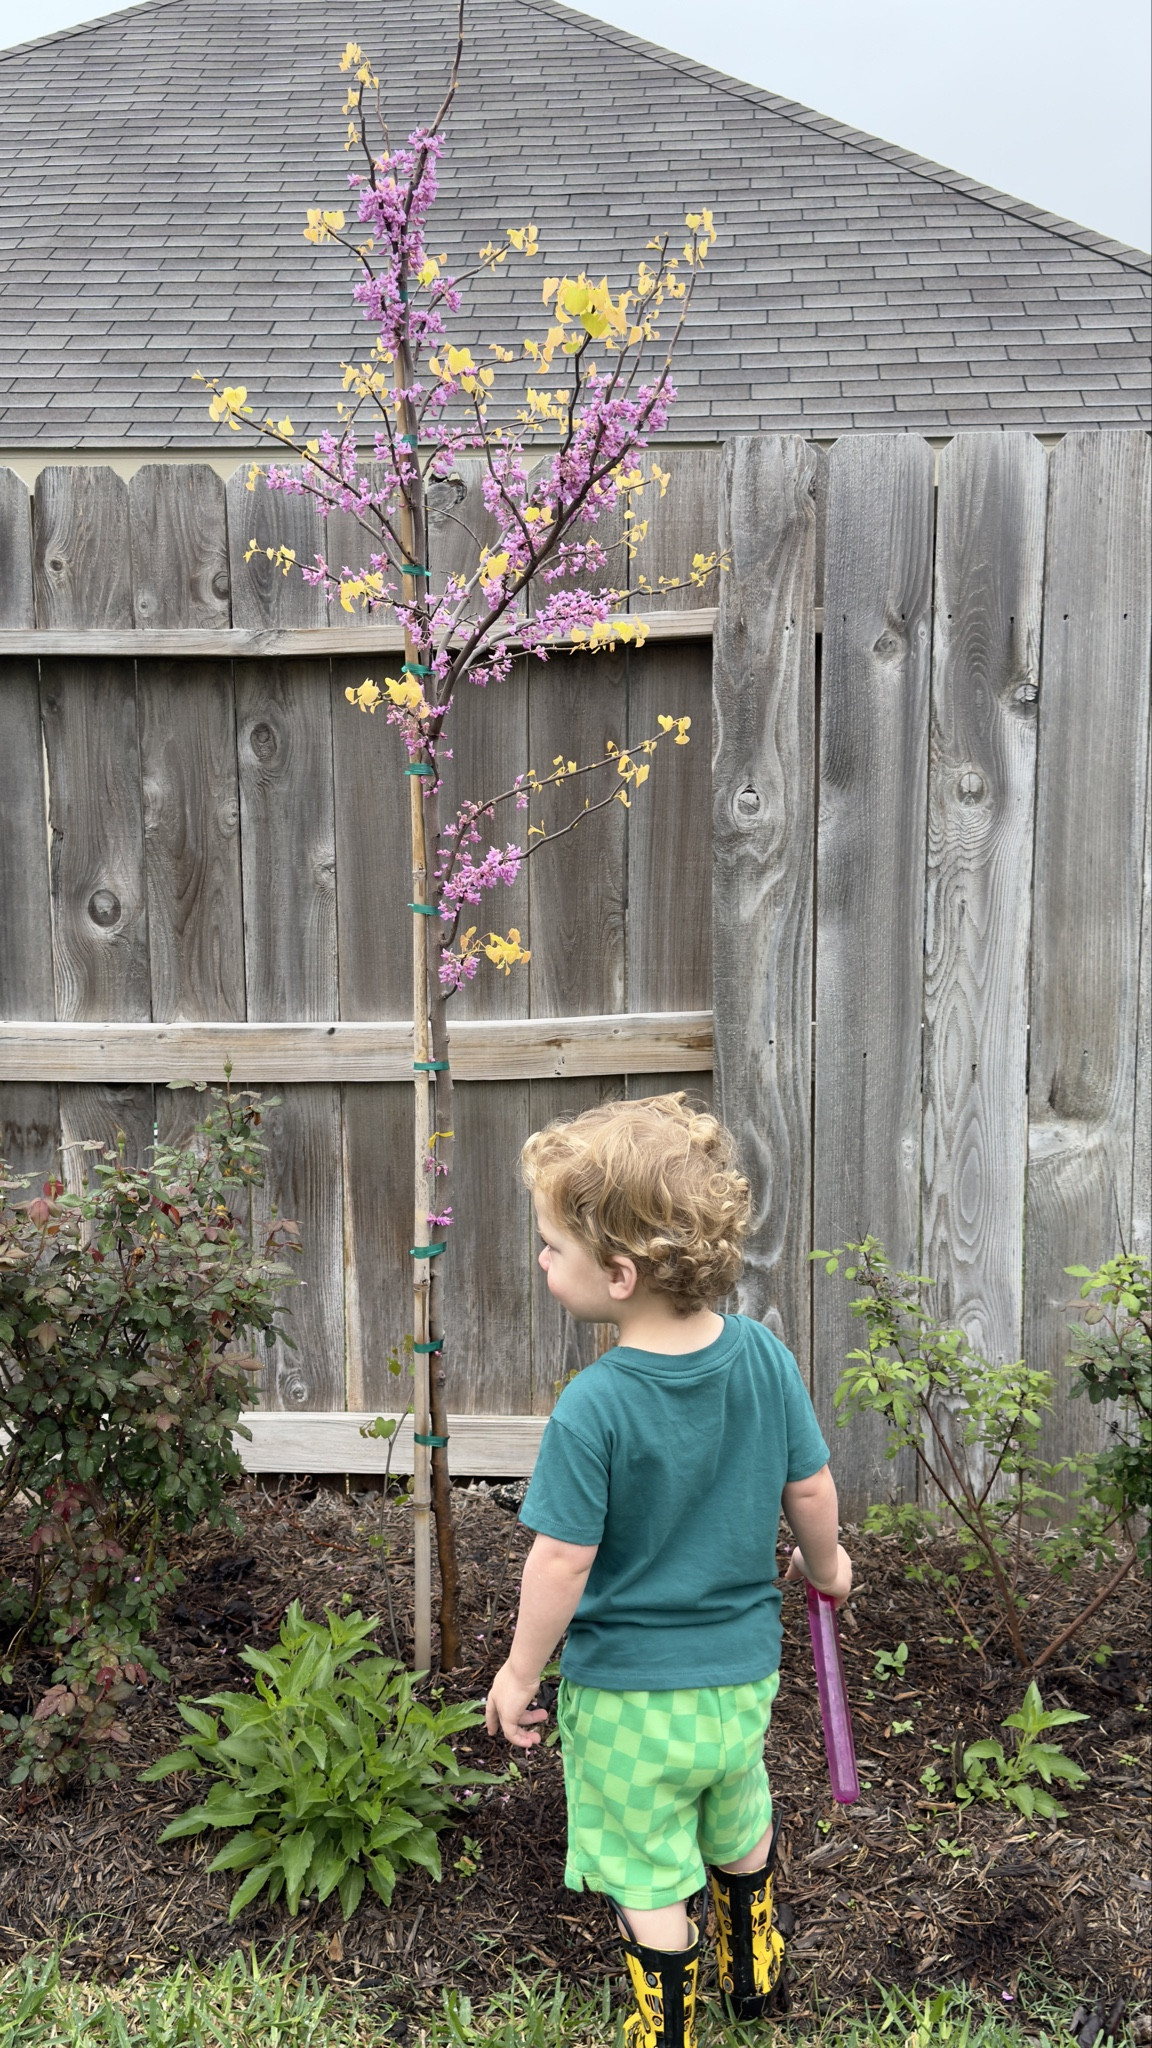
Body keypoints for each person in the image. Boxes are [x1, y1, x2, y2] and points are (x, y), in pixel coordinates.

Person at [485, 1094, 853, 2047]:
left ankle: (671, 2030)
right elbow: (809, 1489)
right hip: (740, 1684)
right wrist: (831, 1567)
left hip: (628, 1701)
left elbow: (562, 1560)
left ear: (617, 1272)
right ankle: (756, 1975)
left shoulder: (594, 1407)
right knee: (741, 1821)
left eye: (550, 1246)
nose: (540, 1260)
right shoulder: (765, 1357)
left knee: (647, 1870)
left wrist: (520, 1672)